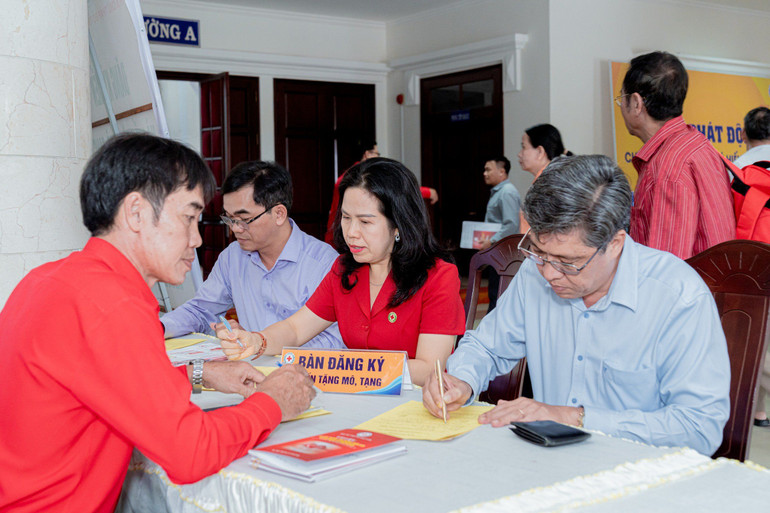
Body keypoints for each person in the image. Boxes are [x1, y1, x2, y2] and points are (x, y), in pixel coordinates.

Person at [0, 134, 316, 512]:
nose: (197, 239)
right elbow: (191, 452)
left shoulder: (51, 279)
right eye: (188, 218)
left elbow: (110, 384)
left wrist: (203, 374)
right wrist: (273, 402)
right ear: (135, 213)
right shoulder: (114, 305)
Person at [423, 154, 731, 456]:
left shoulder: (677, 296)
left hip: (641, 474)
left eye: (569, 262)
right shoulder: (535, 273)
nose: (549, 273)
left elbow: (700, 427)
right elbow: (487, 346)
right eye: (539, 252)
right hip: (551, 463)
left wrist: (574, 417)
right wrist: (462, 379)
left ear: (615, 243)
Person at [217, 158, 466, 386]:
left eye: (365, 222)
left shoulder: (438, 276)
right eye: (346, 218)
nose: (351, 232)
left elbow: (428, 370)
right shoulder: (345, 270)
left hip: (413, 403)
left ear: (398, 224)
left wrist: (348, 368)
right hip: (356, 397)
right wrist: (257, 341)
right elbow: (295, 329)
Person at [161, 160, 343, 349]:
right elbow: (201, 310)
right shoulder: (233, 257)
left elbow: (334, 343)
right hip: (250, 370)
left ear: (279, 213)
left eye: (244, 219)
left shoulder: (322, 264)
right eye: (230, 219)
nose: (235, 229)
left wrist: (259, 344)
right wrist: (159, 327)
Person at [617, 50, 734, 259]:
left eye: (621, 99)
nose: (620, 107)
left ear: (636, 103)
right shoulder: (697, 143)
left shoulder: (667, 168)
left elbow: (667, 268)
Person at [324, 140, 438, 244]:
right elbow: (395, 188)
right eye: (376, 154)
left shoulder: (347, 177)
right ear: (367, 154)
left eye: (365, 221)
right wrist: (428, 192)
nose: (352, 232)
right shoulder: (355, 181)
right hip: (337, 240)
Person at [734, 107, 770, 427]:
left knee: (754, 334)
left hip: (750, 260)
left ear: (743, 134)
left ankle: (756, 411)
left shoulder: (737, 169)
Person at [478, 156, 522, 311]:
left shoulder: (507, 192)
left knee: (498, 295)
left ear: (502, 171)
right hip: (499, 253)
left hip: (504, 254)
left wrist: (491, 241)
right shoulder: (499, 192)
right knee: (495, 293)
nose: (485, 173)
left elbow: (511, 224)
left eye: (488, 169)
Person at [517, 123, 570, 234]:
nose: (519, 154)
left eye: (524, 147)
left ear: (540, 152)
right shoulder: (547, 179)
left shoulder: (549, 184)